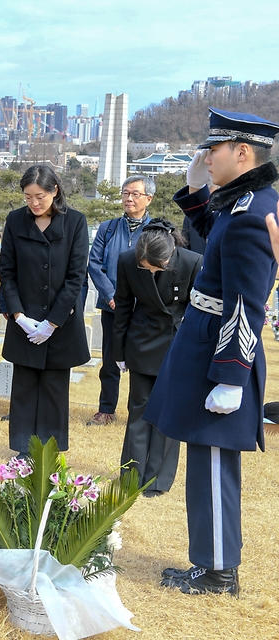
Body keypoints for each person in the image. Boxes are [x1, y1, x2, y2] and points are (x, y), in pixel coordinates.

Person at [145, 109, 279, 596]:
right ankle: (210, 561)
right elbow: (210, 236)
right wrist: (198, 190)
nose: (206, 156)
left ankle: (220, 570)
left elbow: (246, 302)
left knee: (215, 461)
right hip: (206, 346)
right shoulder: (244, 203)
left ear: (242, 152)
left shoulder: (254, 211)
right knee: (204, 459)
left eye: (213, 150)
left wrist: (231, 376)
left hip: (220, 355)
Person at [0, 165, 90, 454]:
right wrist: (19, 316)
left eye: (40, 197)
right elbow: (7, 271)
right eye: (28, 197)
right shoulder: (15, 220)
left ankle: (49, 451)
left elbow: (76, 277)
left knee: (54, 389)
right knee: (24, 388)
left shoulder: (75, 221)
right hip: (24, 319)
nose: (34, 203)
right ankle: (23, 449)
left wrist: (52, 323)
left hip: (60, 322)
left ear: (55, 191)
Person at [113, 220, 202, 498]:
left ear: (170, 254)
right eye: (145, 267)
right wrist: (118, 351)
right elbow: (123, 306)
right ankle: (131, 475)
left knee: (167, 413)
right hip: (141, 341)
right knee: (138, 410)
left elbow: (198, 310)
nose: (150, 271)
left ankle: (158, 479)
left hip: (176, 344)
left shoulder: (192, 262)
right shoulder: (127, 261)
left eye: (156, 267)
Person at [85, 175, 154, 426]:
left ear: (149, 198)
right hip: (112, 307)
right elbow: (94, 264)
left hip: (144, 309)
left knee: (142, 362)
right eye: (125, 193)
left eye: (136, 193)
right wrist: (111, 296)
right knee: (110, 361)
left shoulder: (155, 230)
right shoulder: (108, 227)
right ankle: (106, 409)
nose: (129, 198)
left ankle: (140, 412)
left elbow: (160, 267)